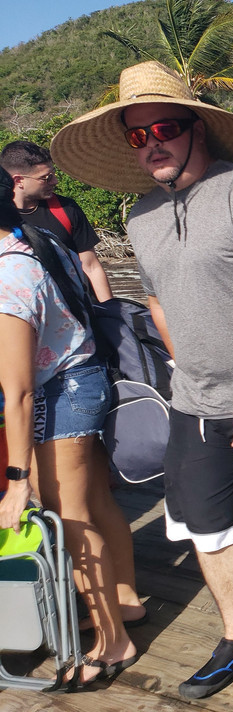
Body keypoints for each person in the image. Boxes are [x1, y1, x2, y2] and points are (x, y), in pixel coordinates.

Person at [50, 60, 233, 698]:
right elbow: (156, 301)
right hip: (195, 400)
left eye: (166, 127)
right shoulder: (143, 216)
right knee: (208, 525)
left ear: (198, 129)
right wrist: (187, 365)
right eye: (137, 134)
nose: (152, 142)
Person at [0, 166, 141, 688]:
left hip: (62, 393)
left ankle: (112, 641)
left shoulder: (7, 278)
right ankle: (123, 604)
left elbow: (18, 392)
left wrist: (18, 482)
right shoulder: (31, 242)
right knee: (95, 505)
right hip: (82, 375)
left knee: (72, 520)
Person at [1, 141, 113, 302]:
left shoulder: (66, 209)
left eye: (53, 174)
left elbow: (91, 266)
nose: (54, 182)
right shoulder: (3, 220)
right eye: (46, 178)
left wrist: (111, 311)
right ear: (18, 181)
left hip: (78, 311)